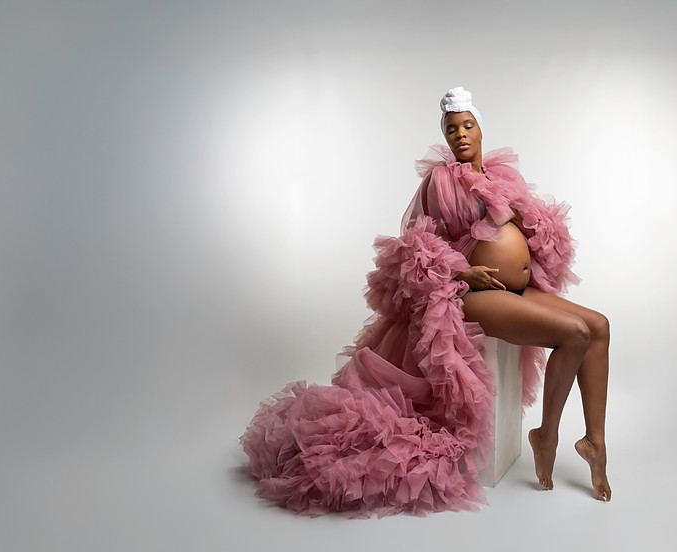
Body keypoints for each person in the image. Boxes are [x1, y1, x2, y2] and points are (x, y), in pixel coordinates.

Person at [240, 87, 611, 518]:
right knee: (574, 333)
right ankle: (547, 436)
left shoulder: (501, 177)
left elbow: (529, 230)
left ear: (481, 130)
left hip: (514, 287)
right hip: (474, 293)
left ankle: (595, 442)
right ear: (446, 137)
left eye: (467, 126)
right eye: (452, 130)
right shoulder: (440, 182)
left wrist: (527, 223)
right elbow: (418, 244)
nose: (460, 134)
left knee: (599, 326)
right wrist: (464, 273)